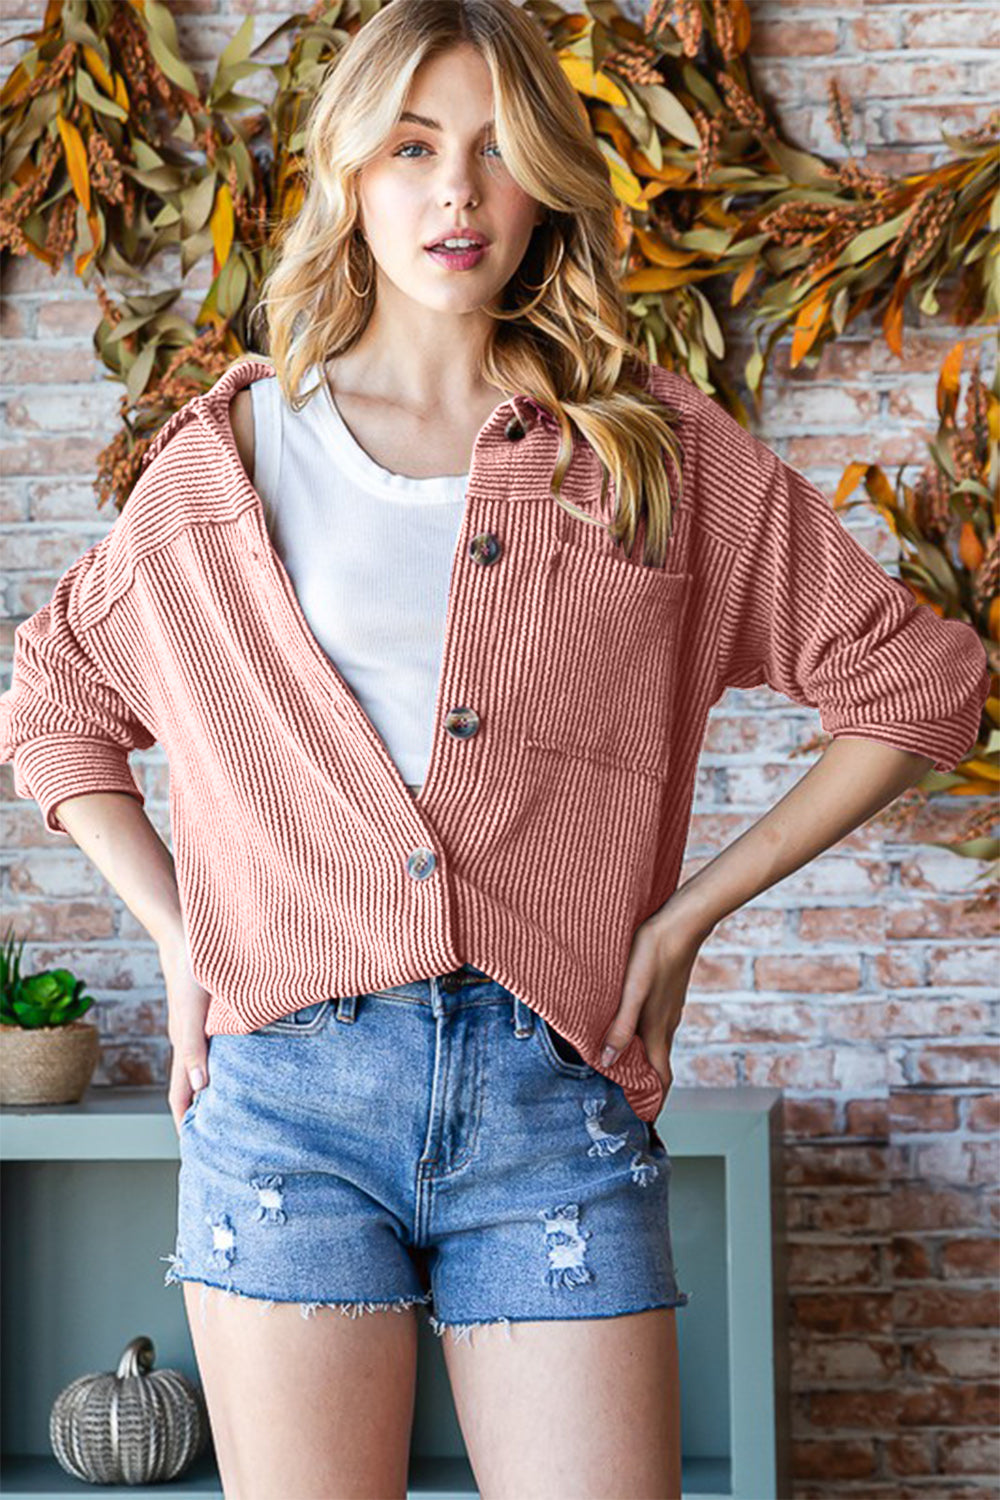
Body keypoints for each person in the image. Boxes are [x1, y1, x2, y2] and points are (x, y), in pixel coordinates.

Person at [0, 0, 989, 1496]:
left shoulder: (645, 453)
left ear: (544, 186)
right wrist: (181, 924)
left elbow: (923, 684)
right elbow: (56, 707)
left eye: (493, 151)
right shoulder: (231, 460)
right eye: (410, 147)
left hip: (557, 1092)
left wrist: (684, 920)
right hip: (289, 1099)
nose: (455, 194)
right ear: (346, 173)